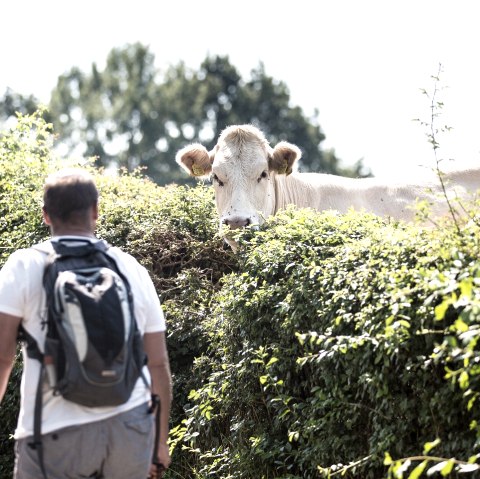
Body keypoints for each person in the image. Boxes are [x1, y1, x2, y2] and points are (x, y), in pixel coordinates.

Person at [0, 168, 172, 478]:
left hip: (54, 433)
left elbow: (2, 358)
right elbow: (157, 363)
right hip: (129, 427)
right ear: (95, 211)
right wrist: (160, 443)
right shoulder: (129, 267)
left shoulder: (24, 265)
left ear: (45, 215)